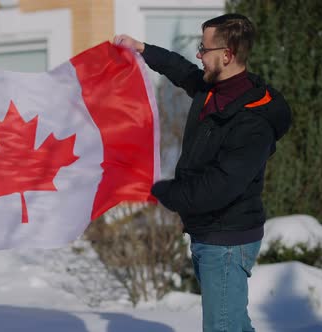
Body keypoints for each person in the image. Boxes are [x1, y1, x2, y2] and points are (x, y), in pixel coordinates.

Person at [114, 14, 291, 331]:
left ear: (227, 54)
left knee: (222, 326)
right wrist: (141, 48)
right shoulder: (214, 89)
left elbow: (218, 186)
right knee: (233, 323)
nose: (198, 54)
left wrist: (159, 189)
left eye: (204, 48)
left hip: (227, 239)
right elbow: (181, 71)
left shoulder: (253, 122)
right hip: (210, 232)